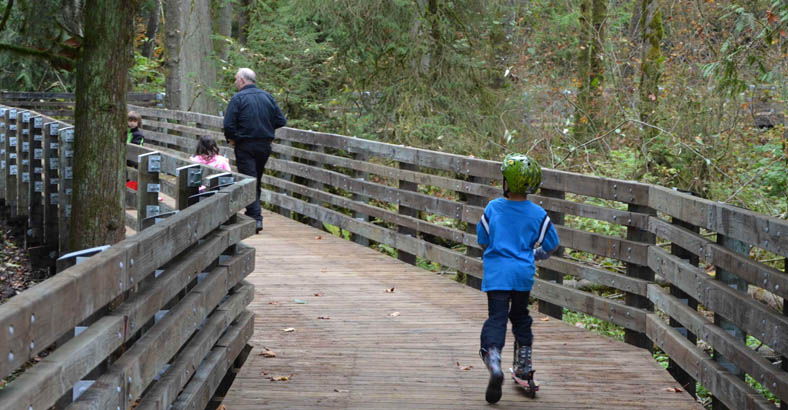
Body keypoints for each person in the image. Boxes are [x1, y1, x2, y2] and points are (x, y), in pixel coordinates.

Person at [476, 153, 560, 404]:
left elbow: (482, 239)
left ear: (506, 183)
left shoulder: (493, 208)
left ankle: (493, 359)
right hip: (522, 273)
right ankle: (523, 366)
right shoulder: (538, 214)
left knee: (497, 317)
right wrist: (536, 254)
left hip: (498, 273)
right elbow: (551, 244)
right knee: (521, 317)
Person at [223, 67, 287, 233]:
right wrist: (265, 128)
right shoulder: (267, 97)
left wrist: (235, 138)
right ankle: (254, 214)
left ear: (243, 80)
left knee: (250, 180)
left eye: (236, 79)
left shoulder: (238, 99)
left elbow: (228, 125)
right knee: (256, 179)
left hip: (245, 145)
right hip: (264, 145)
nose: (235, 82)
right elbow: (280, 120)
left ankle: (256, 218)